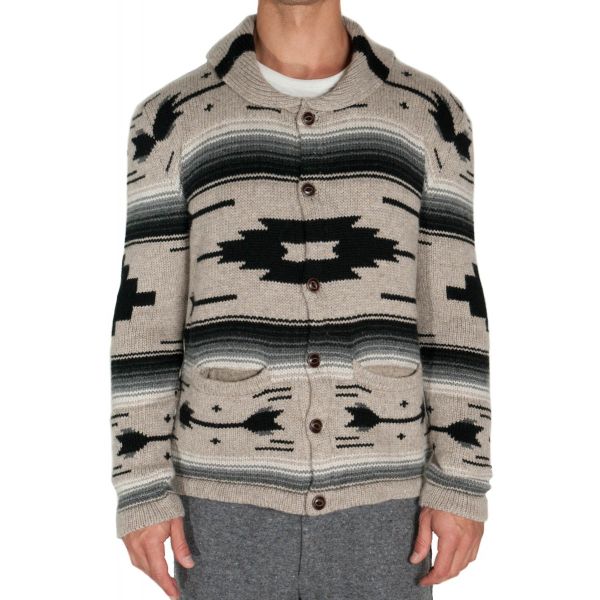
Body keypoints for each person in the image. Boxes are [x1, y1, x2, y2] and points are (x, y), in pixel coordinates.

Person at [109, 1, 492, 598]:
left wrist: (462, 479)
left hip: (385, 497)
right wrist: (140, 486)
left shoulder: (429, 116)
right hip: (219, 500)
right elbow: (144, 317)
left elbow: (455, 312)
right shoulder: (170, 120)